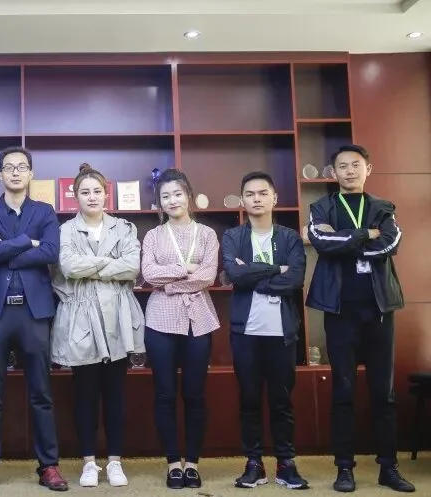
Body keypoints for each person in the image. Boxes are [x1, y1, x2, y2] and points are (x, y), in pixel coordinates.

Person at [306, 144, 414, 493]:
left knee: (384, 393)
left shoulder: (383, 207)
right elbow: (322, 241)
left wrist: (347, 241)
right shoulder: (321, 207)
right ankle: (344, 468)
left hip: (379, 310)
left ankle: (388, 467)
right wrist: (366, 233)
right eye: (342, 166)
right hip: (340, 311)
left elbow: (391, 244)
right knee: (343, 391)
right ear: (332, 172)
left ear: (369, 168)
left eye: (356, 165)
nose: (350, 171)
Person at [0, 146, 68, 492]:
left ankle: (49, 466)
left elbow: (51, 252)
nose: (15, 172)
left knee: (41, 392)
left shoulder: (44, 211)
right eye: (8, 167)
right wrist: (28, 242)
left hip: (33, 309)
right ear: (0, 174)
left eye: (21, 167)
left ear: (30, 173)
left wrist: (7, 249)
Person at [51, 164, 144, 488]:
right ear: (75, 196)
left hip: (118, 316)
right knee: (85, 395)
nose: (91, 197)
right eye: (85, 192)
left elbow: (132, 267)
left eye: (97, 191)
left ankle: (115, 461)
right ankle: (89, 462)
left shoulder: (124, 227)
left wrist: (92, 268)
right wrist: (110, 265)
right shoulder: (65, 230)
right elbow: (68, 266)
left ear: (106, 194)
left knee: (116, 395)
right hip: (81, 317)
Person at [221, 171, 308, 490]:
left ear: (275, 198)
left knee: (282, 401)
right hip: (246, 332)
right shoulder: (233, 236)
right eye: (250, 194)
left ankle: (286, 463)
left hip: (282, 332)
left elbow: (295, 279)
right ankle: (254, 463)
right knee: (249, 399)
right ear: (242, 200)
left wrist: (254, 274)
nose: (256, 199)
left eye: (262, 193)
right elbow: (234, 275)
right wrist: (275, 270)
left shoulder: (289, 238)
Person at [140, 168, 219, 489]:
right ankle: (173, 462)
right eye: (165, 196)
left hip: (198, 321)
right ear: (159, 202)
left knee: (195, 394)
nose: (172, 200)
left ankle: (193, 463)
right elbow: (148, 274)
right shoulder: (153, 236)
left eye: (177, 194)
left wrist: (170, 283)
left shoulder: (207, 234)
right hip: (160, 321)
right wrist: (184, 269)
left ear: (188, 196)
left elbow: (208, 276)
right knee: (165, 394)